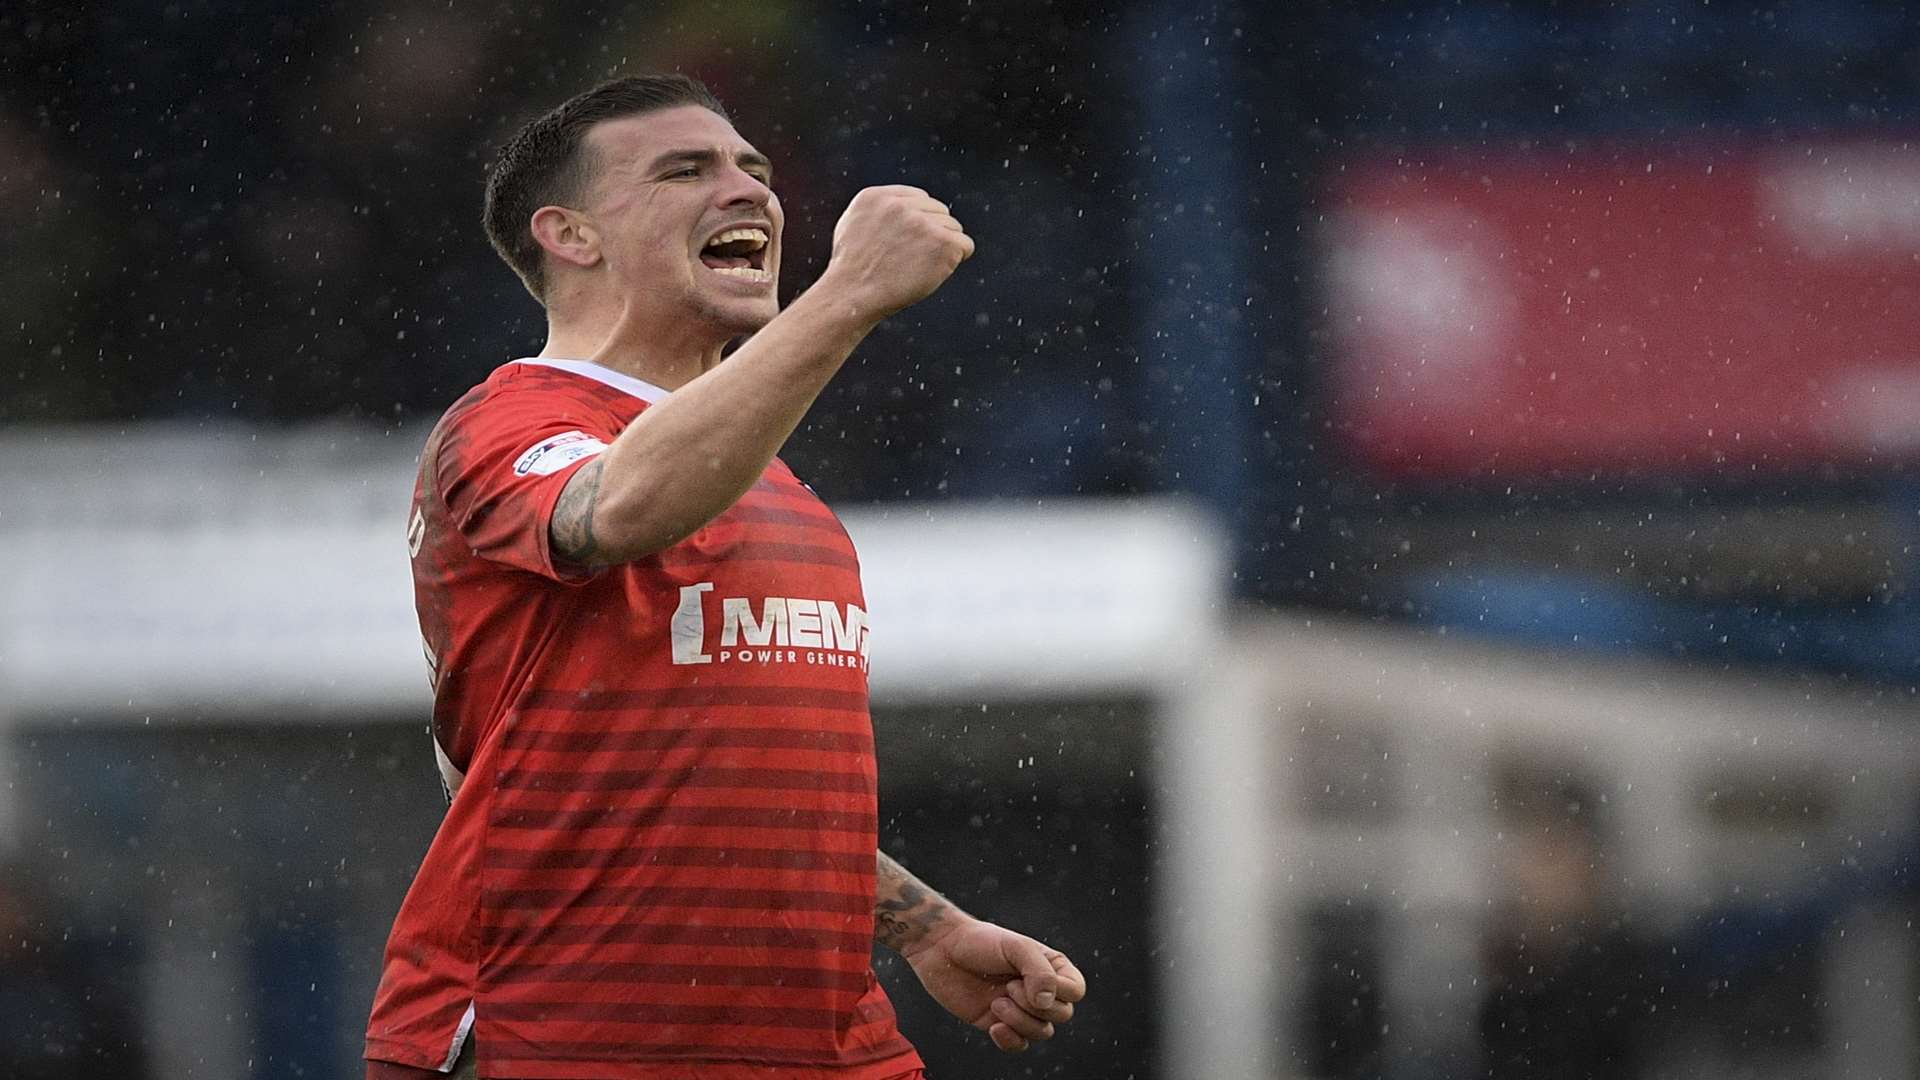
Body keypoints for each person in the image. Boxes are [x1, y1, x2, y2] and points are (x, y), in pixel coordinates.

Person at [364, 74, 1087, 1080]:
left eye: (754, 168)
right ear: (572, 236)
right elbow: (609, 513)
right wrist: (847, 295)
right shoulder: (511, 426)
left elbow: (690, 771)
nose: (748, 190)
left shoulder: (780, 487)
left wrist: (921, 925)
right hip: (565, 1038)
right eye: (685, 170)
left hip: (824, 1049)